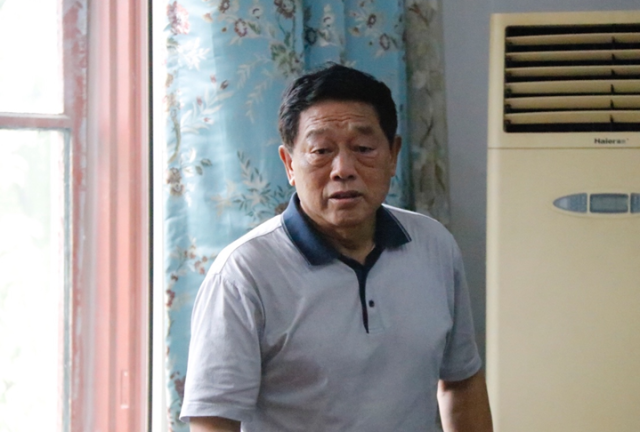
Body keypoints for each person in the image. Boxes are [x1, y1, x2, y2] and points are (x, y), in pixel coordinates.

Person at [180, 64, 493, 432]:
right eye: (321, 150)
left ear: (393, 155)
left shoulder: (434, 245)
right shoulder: (244, 272)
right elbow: (213, 421)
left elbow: (461, 382)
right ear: (289, 164)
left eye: (363, 148)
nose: (343, 169)